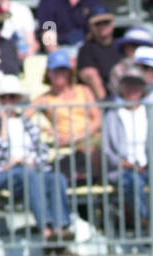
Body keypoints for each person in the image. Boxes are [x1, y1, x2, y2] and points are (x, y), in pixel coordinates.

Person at [0, 73, 77, 243]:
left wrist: (29, 160)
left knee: (56, 178)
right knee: (30, 176)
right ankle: (46, 229)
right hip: (4, 173)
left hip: (30, 169)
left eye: (12, 97)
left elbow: (43, 151)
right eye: (4, 98)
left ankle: (61, 227)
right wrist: (3, 125)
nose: (8, 101)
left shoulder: (28, 123)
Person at [102, 64, 153, 237]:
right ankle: (147, 222)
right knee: (133, 182)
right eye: (128, 84)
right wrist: (124, 164)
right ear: (122, 88)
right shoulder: (112, 115)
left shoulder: (151, 113)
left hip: (149, 166)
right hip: (123, 169)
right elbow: (107, 150)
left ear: (143, 88)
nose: (132, 89)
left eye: (136, 84)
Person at [34, 48, 103, 183]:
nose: (60, 75)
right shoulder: (44, 99)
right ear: (48, 73)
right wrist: (45, 129)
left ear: (70, 72)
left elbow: (97, 119)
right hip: (64, 143)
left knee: (92, 148)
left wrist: (77, 136)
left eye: (63, 70)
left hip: (89, 138)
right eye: (56, 71)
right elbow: (21, 116)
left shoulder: (84, 91)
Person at [76, 6, 122, 102]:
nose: (102, 26)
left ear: (113, 24)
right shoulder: (85, 49)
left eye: (106, 22)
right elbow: (88, 74)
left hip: (125, 92)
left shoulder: (122, 46)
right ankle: (106, 108)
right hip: (99, 99)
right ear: (91, 27)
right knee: (91, 74)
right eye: (97, 23)